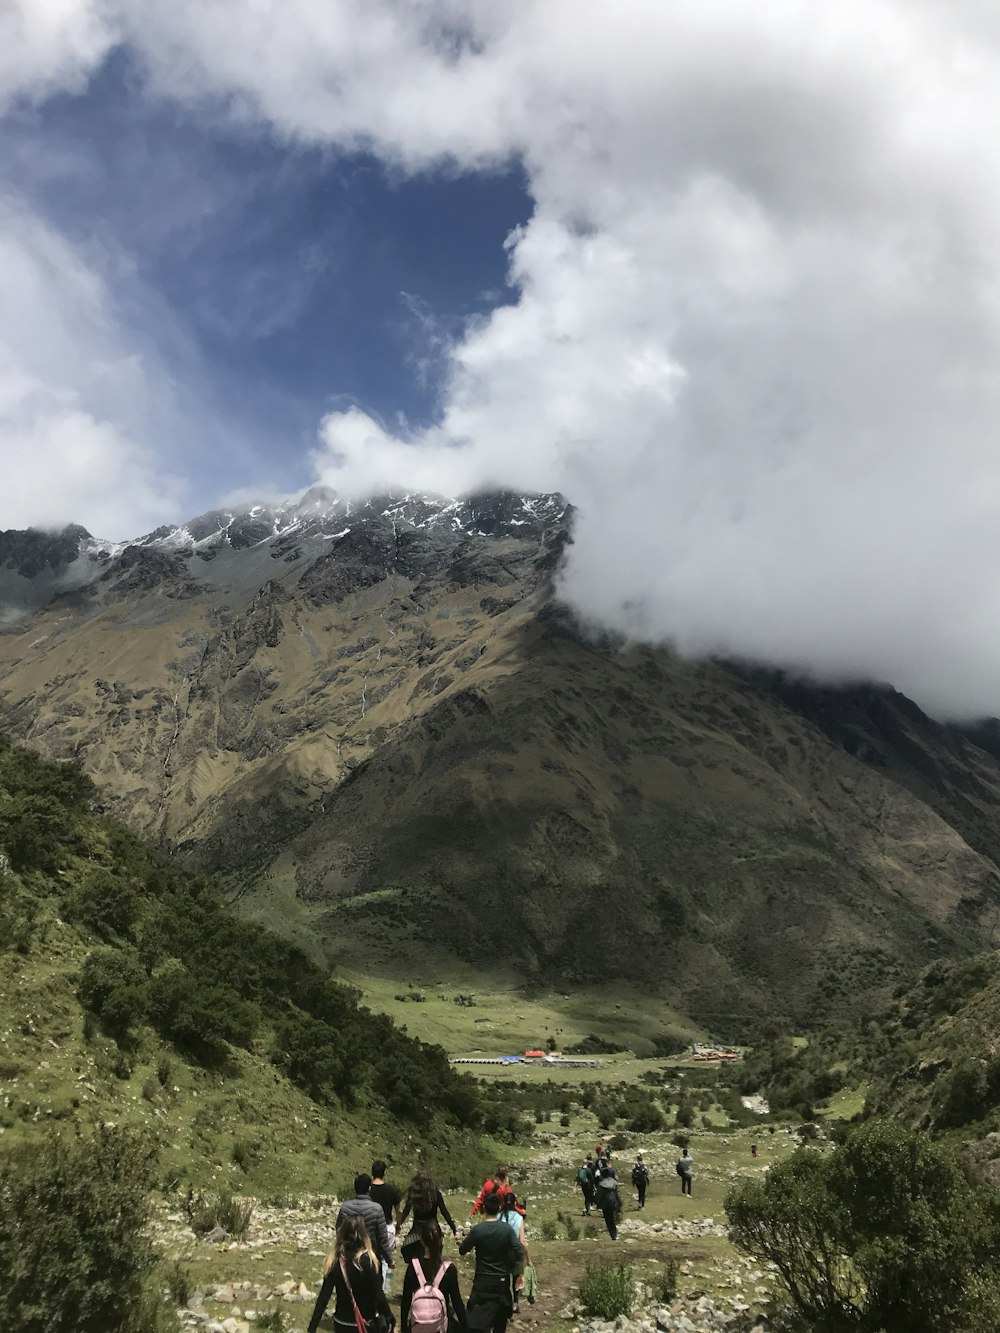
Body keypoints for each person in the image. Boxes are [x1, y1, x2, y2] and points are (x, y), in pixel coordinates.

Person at [308, 1212, 396, 1333]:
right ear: (364, 1234)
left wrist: (312, 1326)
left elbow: (324, 1297)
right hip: (366, 1322)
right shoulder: (369, 1261)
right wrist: (389, 1317)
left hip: (342, 1323)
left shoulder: (335, 1261)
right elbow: (379, 1296)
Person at [459, 1192, 524, 1333]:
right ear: (499, 1207)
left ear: (484, 1208)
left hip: (482, 1281)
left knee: (477, 1322)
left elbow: (462, 1250)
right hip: (501, 1281)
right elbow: (519, 1252)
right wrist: (520, 1273)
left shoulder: (477, 1230)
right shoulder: (506, 1230)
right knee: (500, 1322)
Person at [400, 1219, 468, 1333]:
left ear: (422, 1241)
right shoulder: (448, 1270)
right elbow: (457, 1303)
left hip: (418, 1326)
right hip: (441, 1327)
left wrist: (404, 1328)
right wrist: (465, 1327)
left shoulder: (413, 1266)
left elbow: (406, 1301)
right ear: (440, 1240)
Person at [400, 1169, 459, 1266]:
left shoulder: (414, 1194)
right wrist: (454, 1229)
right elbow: (444, 1212)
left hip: (417, 1230)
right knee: (435, 1257)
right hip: (433, 1229)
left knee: (409, 1252)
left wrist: (398, 1225)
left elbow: (406, 1211)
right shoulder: (435, 1193)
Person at [338, 1173, 394, 1270]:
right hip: (371, 1258)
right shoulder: (377, 1209)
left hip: (349, 1257)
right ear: (369, 1189)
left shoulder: (345, 1208)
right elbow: (382, 1239)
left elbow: (339, 1231)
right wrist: (389, 1260)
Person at [371, 1159, 403, 1294]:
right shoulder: (391, 1190)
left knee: (371, 1258)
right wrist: (398, 1226)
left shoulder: (368, 1189)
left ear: (372, 1172)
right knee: (386, 1259)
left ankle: (372, 1287)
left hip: (370, 1228)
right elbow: (398, 1211)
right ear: (384, 1173)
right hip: (387, 1227)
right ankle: (384, 1289)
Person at [498, 1193, 531, 1313]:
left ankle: (505, 1302)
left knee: (504, 1278)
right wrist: (528, 1258)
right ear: (515, 1203)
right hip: (514, 1251)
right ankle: (515, 1302)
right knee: (516, 1277)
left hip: (501, 1251)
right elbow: (522, 1240)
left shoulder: (498, 1216)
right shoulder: (518, 1217)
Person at [596, 1165, 621, 1240]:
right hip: (613, 1203)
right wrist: (619, 1204)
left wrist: (598, 1203)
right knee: (613, 1218)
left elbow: (599, 1196)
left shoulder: (601, 1184)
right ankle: (615, 1233)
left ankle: (612, 1234)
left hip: (605, 1204)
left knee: (607, 1219)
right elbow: (618, 1194)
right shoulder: (614, 1183)